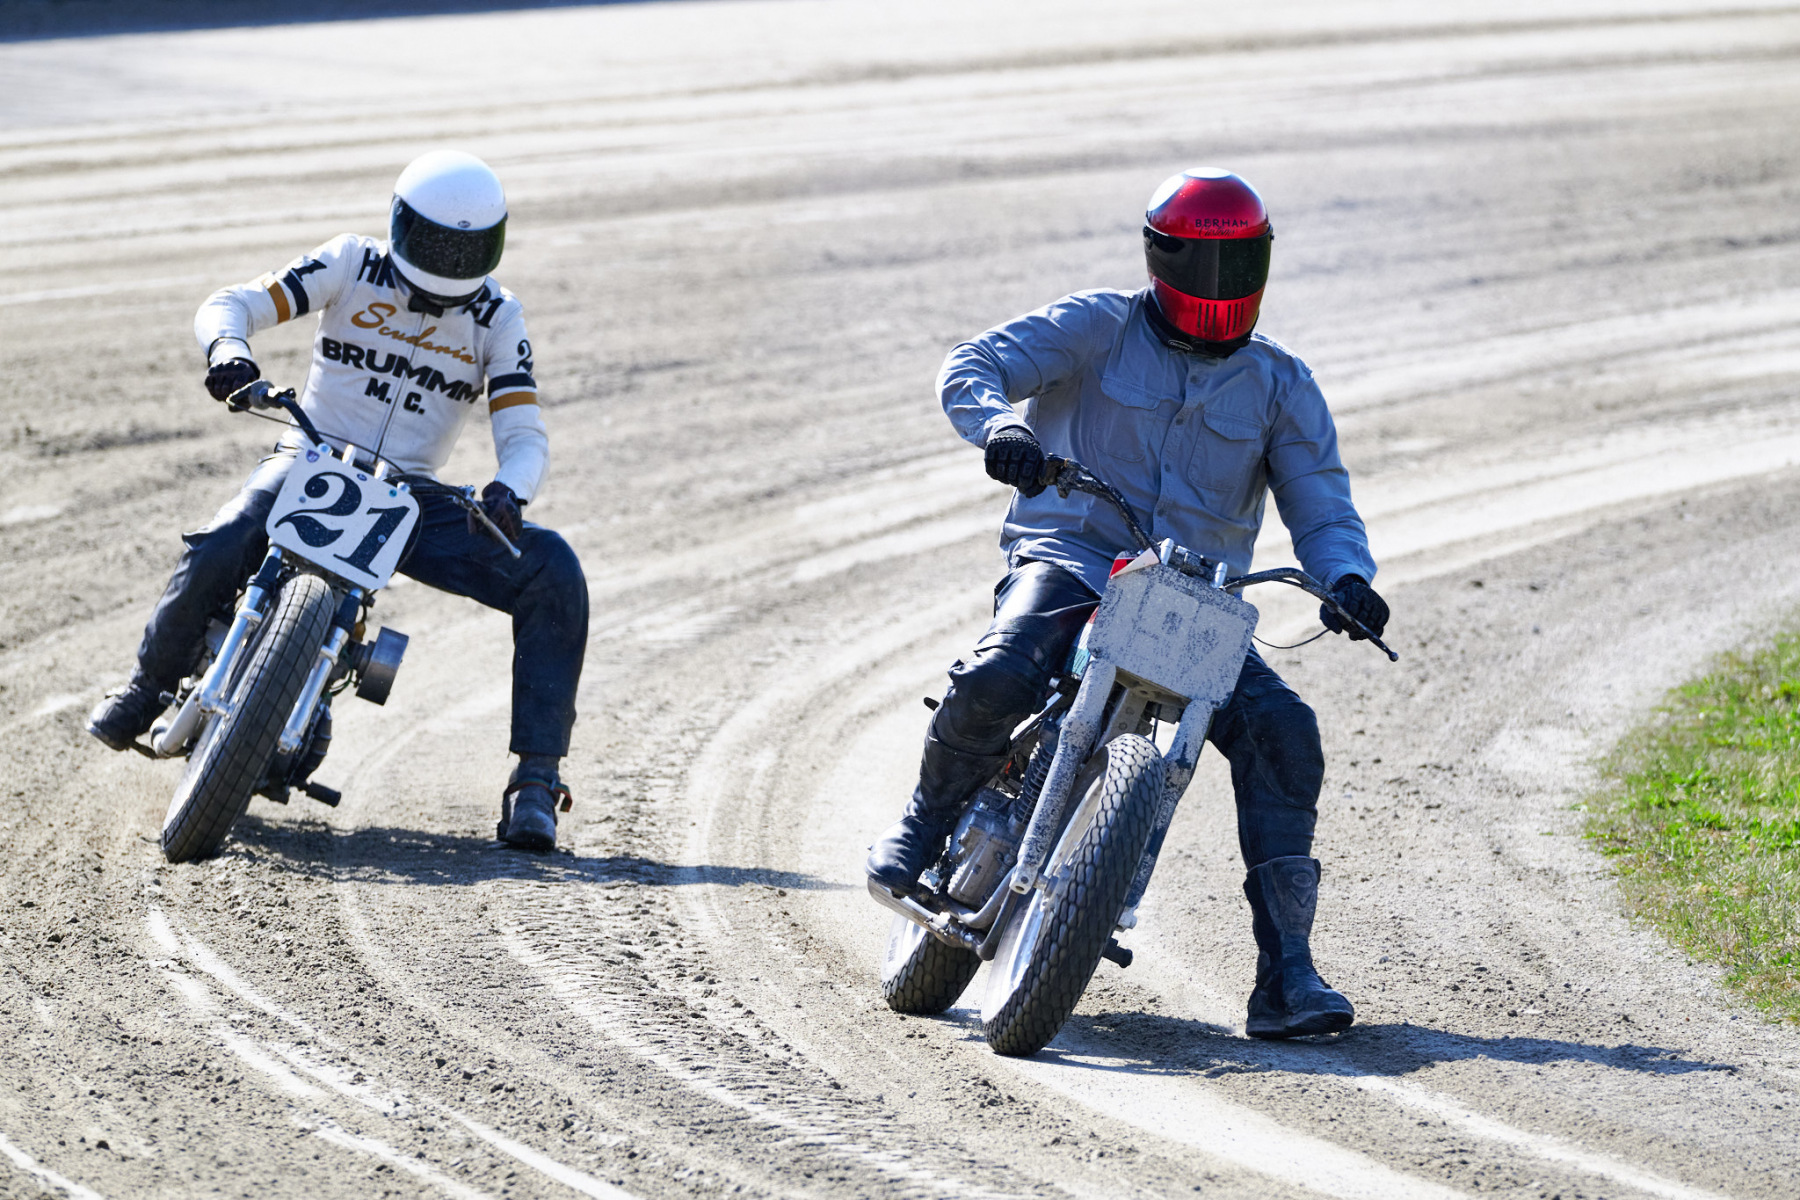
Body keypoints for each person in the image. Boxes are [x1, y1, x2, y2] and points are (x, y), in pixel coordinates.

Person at [865, 168, 1388, 1038]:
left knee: (1285, 735)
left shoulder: (1282, 384)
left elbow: (1323, 506)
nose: (1219, 284)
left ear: (1261, 262)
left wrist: (1348, 579)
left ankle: (1287, 975)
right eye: (1204, 262)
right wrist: (1002, 428)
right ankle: (922, 828)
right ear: (1162, 256)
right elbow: (974, 364)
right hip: (1073, 562)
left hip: (1196, 605)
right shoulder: (1096, 326)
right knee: (1001, 671)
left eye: (1236, 263)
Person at [85, 150, 589, 853]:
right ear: (401, 223)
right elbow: (231, 303)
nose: (448, 262)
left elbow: (523, 432)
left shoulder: (498, 317)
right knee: (226, 538)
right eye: (436, 242)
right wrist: (229, 351)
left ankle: (535, 782)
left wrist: (512, 488)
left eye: (465, 249)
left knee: (552, 569)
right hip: (311, 454)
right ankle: (147, 687)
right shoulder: (350, 262)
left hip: (412, 495)